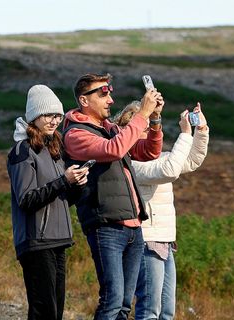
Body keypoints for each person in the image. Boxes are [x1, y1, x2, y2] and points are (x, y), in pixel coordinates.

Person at [62, 73, 164, 320]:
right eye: (103, 93)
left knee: (124, 306)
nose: (110, 99)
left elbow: (149, 152)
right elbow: (114, 149)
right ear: (84, 101)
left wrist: (155, 120)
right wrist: (140, 115)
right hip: (105, 226)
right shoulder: (76, 134)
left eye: (110, 92)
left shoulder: (111, 130)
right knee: (111, 301)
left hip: (132, 226)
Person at [112, 101, 209, 320]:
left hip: (164, 240)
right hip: (146, 240)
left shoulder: (158, 159)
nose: (150, 133)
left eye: (151, 127)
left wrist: (200, 130)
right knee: (150, 310)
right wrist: (185, 133)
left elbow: (192, 160)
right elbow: (170, 170)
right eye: (144, 128)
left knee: (166, 312)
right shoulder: (131, 164)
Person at [7, 84, 89, 320]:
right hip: (35, 241)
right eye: (47, 115)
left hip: (58, 239)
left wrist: (77, 185)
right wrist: (64, 181)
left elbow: (62, 200)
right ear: (34, 117)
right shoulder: (22, 151)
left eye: (57, 116)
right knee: (44, 311)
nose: (54, 121)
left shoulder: (54, 150)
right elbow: (27, 199)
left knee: (56, 311)